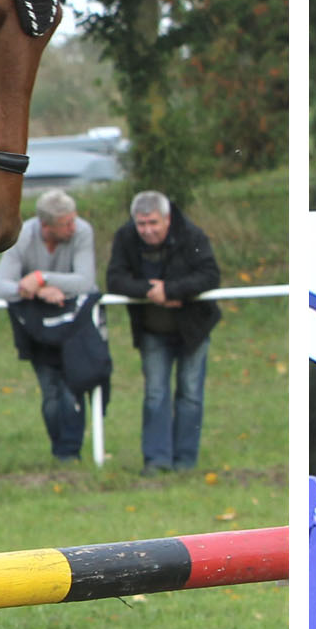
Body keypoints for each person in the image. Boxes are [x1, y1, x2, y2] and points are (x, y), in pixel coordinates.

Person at [107, 190, 220, 473]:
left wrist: (171, 290)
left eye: (153, 223)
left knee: (190, 393)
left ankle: (185, 462)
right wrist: (150, 291)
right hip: (152, 331)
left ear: (167, 219)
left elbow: (210, 275)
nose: (147, 230)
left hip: (193, 330)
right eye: (141, 224)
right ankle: (156, 461)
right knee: (155, 393)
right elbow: (115, 279)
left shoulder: (192, 236)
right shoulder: (125, 238)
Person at [0, 189, 101, 461]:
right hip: (38, 328)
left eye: (73, 220)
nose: (72, 227)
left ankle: (70, 454)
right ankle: (60, 450)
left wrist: (41, 278)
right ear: (45, 226)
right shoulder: (23, 237)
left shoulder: (82, 233)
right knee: (51, 393)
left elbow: (85, 282)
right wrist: (35, 290)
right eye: (66, 223)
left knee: (72, 386)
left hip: (75, 326)